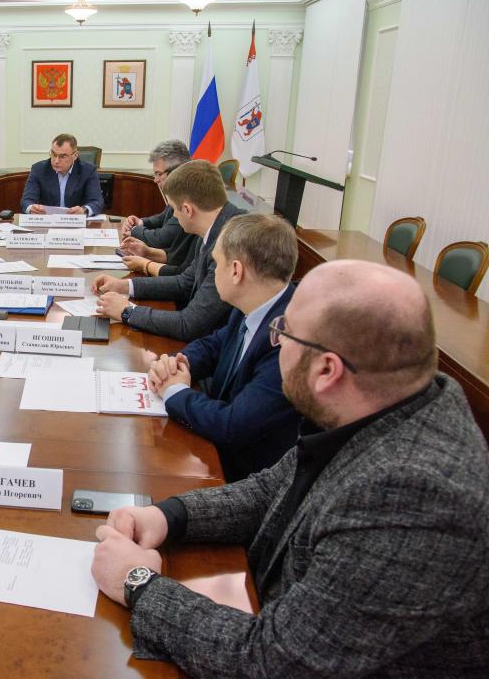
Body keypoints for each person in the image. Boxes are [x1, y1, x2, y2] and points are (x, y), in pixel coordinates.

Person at [91, 259, 489, 677]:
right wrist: (170, 517)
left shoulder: (415, 495)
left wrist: (138, 583)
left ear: (327, 370)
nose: (275, 341)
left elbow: (274, 662)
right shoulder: (375, 405)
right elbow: (271, 489)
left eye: (284, 332)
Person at [146, 213, 300, 481]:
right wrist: (178, 362)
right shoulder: (256, 301)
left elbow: (232, 425)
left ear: (236, 271)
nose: (213, 271)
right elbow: (214, 345)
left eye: (217, 263)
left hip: (248, 476)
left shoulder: (289, 339)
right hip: (219, 449)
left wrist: (174, 390)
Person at [94, 160, 244, 342]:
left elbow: (189, 324)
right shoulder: (215, 226)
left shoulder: (231, 244)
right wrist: (124, 286)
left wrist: (127, 311)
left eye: (173, 209)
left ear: (187, 210)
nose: (173, 216)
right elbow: (185, 283)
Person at [117, 139, 196, 277]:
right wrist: (141, 222)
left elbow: (162, 239)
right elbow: (163, 217)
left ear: (177, 172)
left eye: (159, 174)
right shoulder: (179, 193)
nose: (155, 180)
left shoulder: (190, 198)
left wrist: (134, 230)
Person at [20, 133, 104, 216]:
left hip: (75, 221)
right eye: (54, 154)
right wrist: (31, 208)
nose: (56, 161)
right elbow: (26, 200)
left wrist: (84, 210)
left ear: (75, 155)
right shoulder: (39, 169)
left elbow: (97, 202)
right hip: (48, 220)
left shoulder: (88, 171)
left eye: (62, 156)